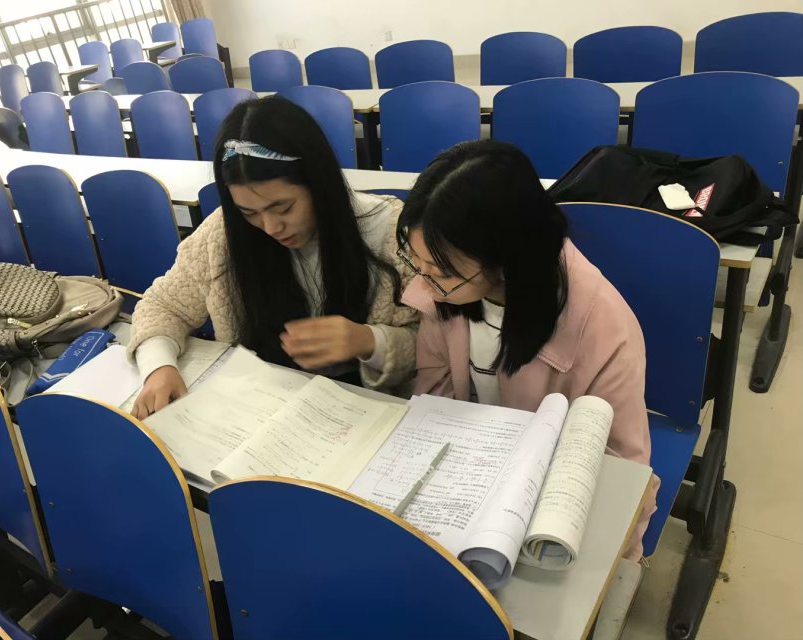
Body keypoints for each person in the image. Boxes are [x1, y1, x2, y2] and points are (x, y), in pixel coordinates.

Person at [396, 140, 657, 559]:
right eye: (417, 263)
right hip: (472, 482)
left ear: (504, 262)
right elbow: (435, 398)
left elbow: (620, 467)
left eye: (441, 272)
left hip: (552, 507)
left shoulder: (603, 327)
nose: (424, 284)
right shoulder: (442, 293)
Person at [128, 96, 417, 419]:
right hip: (262, 410)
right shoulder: (224, 233)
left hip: (366, 414)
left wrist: (369, 341)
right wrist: (159, 367)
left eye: (283, 207)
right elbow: (163, 306)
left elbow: (434, 349)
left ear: (319, 184)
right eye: (249, 212)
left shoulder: (390, 233)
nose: (270, 227)